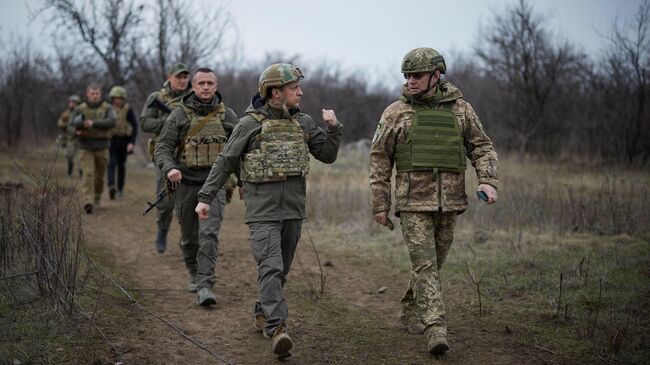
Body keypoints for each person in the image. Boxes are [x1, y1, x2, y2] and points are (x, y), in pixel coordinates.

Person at [195, 63, 343, 359]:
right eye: (294, 89)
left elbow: (326, 155)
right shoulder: (249, 124)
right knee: (271, 266)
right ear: (276, 92)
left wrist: (334, 129)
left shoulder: (302, 122)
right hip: (262, 212)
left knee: (280, 269)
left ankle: (264, 310)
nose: (300, 93)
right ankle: (277, 328)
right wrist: (205, 197)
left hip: (292, 211)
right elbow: (225, 162)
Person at [369, 48, 499, 356]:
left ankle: (410, 305)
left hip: (450, 203)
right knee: (425, 265)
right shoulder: (395, 113)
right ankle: (435, 329)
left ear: (436, 75)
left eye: (417, 75)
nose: (411, 81)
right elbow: (379, 159)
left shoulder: (461, 110)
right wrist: (380, 204)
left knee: (433, 265)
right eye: (407, 76)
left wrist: (487, 180)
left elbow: (482, 146)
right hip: (412, 204)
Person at [154, 67, 238, 306]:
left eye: (210, 83)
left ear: (216, 86)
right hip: (185, 185)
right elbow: (163, 147)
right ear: (193, 86)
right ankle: (193, 272)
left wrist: (242, 181)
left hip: (215, 187)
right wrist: (170, 168)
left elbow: (238, 152)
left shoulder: (227, 116)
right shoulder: (179, 115)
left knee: (209, 234)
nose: (205, 87)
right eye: (200, 83)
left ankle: (205, 285)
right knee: (189, 238)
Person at [141, 62, 192, 253]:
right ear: (169, 77)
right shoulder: (157, 98)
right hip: (164, 155)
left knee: (188, 201)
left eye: (185, 77)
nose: (182, 80)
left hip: (189, 155)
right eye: (178, 77)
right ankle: (162, 230)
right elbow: (145, 123)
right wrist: (169, 122)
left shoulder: (193, 98)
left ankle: (188, 240)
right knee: (164, 201)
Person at [70, 83, 117, 214]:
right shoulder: (80, 109)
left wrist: (93, 123)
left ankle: (96, 198)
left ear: (100, 94)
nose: (94, 96)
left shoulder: (107, 108)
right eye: (92, 94)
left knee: (100, 176)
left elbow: (112, 121)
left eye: (97, 94)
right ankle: (88, 201)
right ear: (87, 94)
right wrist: (77, 132)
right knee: (88, 173)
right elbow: (70, 126)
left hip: (102, 146)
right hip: (85, 146)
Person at [107, 85, 138, 199]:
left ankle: (120, 189)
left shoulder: (127, 109)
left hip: (124, 140)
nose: (118, 101)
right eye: (116, 98)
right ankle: (111, 186)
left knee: (121, 166)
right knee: (111, 163)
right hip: (111, 141)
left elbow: (134, 126)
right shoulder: (108, 109)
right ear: (112, 98)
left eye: (120, 98)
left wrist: (131, 143)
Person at [57, 94, 82, 176]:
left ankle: (82, 172)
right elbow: (60, 123)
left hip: (80, 138)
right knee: (69, 156)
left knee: (82, 156)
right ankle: (70, 168)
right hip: (70, 138)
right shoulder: (66, 114)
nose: (71, 104)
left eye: (74, 103)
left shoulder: (81, 113)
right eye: (70, 102)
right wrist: (68, 125)